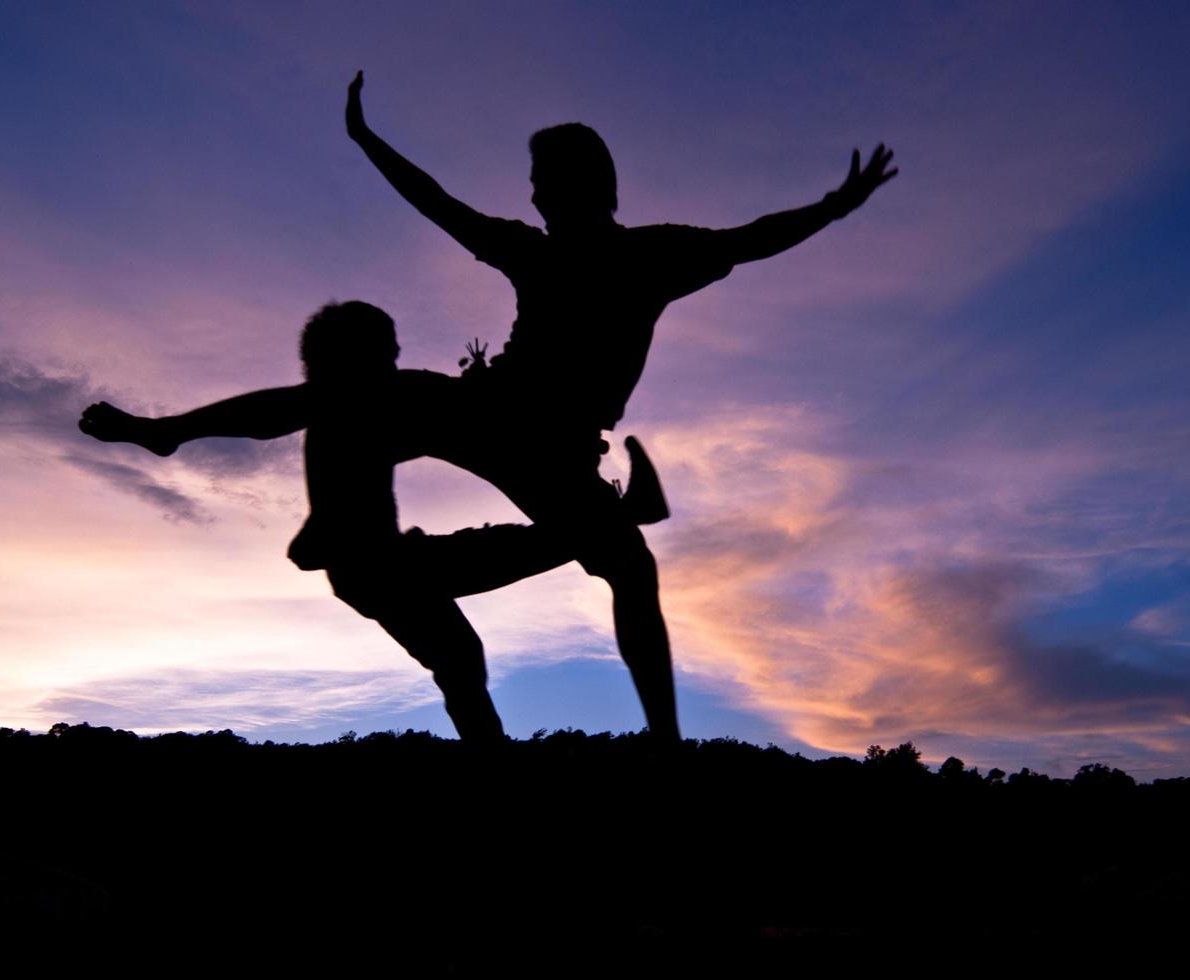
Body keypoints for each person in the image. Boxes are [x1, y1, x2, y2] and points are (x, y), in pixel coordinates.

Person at [339, 71, 897, 740]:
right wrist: (367, 140)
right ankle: (370, 548)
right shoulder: (612, 253)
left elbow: (752, 239)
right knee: (627, 568)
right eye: (533, 179)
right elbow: (438, 204)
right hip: (509, 423)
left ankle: (664, 734)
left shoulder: (636, 254)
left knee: (632, 570)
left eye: (542, 178)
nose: (534, 191)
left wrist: (833, 205)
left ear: (580, 182)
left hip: (526, 435)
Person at [79, 300, 668, 742]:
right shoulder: (344, 398)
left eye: (393, 350)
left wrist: (543, 426)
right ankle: (620, 515)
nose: (394, 359)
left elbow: (461, 410)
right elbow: (267, 414)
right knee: (471, 626)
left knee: (461, 661)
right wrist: (162, 430)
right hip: (379, 569)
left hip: (383, 568)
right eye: (386, 350)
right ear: (351, 358)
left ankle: (494, 765)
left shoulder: (362, 400)